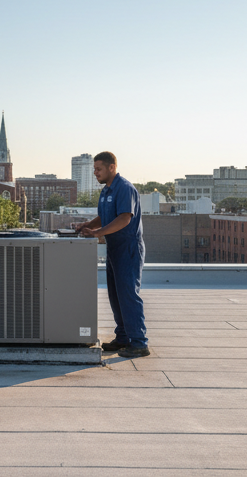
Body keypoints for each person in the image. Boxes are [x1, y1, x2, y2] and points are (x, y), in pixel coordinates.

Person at [76, 151, 148, 358]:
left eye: (99, 169)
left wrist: (97, 233)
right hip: (114, 248)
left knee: (128, 295)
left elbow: (125, 218)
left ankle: (140, 342)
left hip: (128, 248)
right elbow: (105, 217)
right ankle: (123, 337)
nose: (95, 173)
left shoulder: (124, 188)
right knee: (116, 296)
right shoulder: (106, 191)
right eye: (94, 169)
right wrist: (87, 225)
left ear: (112, 167)